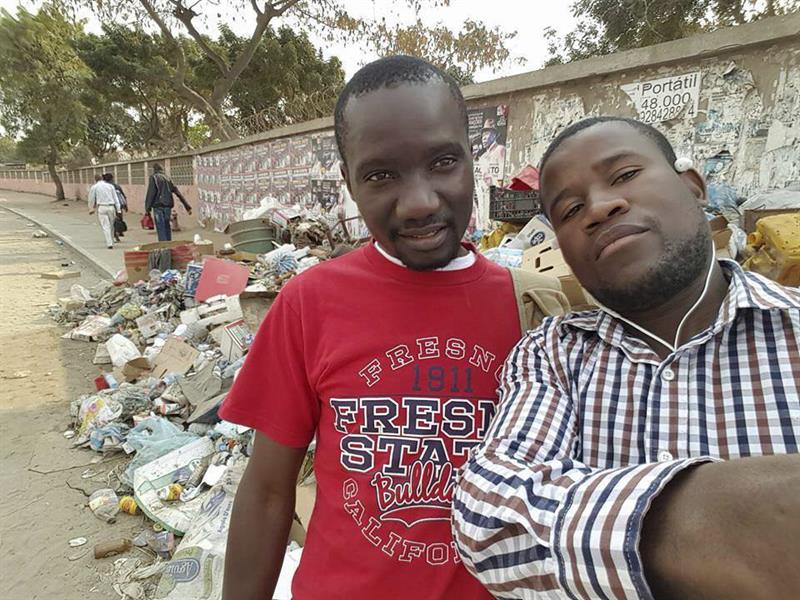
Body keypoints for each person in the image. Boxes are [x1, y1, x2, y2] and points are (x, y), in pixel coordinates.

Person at [219, 56, 532, 600]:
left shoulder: (530, 309)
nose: (419, 202)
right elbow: (270, 491)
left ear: (472, 160)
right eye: (381, 175)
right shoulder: (308, 304)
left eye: (442, 162)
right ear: (349, 181)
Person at [452, 116, 800, 599]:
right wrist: (719, 519)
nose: (599, 207)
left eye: (624, 176)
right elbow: (486, 513)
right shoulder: (554, 353)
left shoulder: (792, 330)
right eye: (570, 210)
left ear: (693, 187)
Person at [144, 163, 191, 241]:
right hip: (167, 207)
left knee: (161, 228)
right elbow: (178, 193)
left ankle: (164, 247)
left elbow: (151, 194)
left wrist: (147, 209)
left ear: (154, 170)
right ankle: (169, 245)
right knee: (167, 227)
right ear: (162, 169)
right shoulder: (168, 178)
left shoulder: (154, 178)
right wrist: (187, 207)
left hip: (158, 207)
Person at [88, 173, 121, 249]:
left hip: (102, 207)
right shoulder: (110, 186)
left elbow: (91, 198)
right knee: (111, 225)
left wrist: (91, 208)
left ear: (95, 179)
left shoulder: (95, 187)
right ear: (102, 178)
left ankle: (109, 243)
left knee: (105, 226)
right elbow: (116, 198)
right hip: (111, 207)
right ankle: (112, 240)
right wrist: (118, 209)